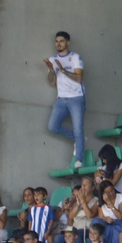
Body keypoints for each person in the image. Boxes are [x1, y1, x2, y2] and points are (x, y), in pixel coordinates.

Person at [44, 31, 86, 162]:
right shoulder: (53, 59)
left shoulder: (75, 57)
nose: (58, 44)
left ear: (68, 42)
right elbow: (52, 82)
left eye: (61, 41)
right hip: (61, 98)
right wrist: (52, 70)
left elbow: (79, 78)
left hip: (76, 97)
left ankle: (79, 159)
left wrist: (63, 71)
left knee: (78, 129)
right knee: (52, 126)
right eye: (56, 41)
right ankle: (79, 139)